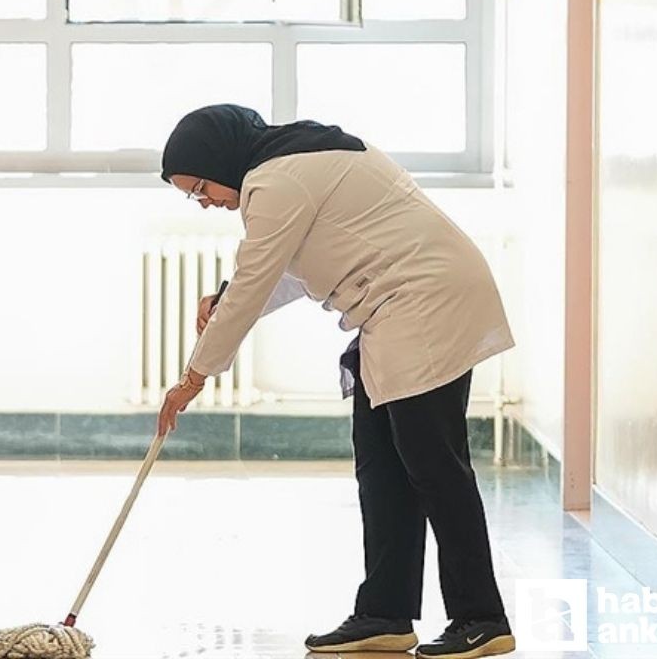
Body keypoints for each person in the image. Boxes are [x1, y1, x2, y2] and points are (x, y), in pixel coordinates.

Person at [155, 105, 517, 659]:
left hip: (424, 302)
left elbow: (257, 277)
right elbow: (283, 272)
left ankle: (482, 618)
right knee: (382, 466)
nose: (202, 200)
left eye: (200, 187)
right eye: (192, 195)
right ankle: (384, 614)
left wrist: (193, 377)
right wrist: (226, 299)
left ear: (219, 159)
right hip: (399, 311)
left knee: (433, 465)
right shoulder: (291, 164)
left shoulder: (276, 180)